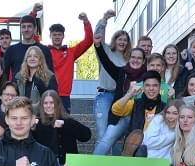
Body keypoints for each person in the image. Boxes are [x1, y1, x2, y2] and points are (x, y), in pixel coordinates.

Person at [92, 33, 146, 158]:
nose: (135, 60)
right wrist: (98, 46)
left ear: (143, 61)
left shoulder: (148, 76)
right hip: (121, 116)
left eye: (139, 58)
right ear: (129, 58)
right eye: (133, 57)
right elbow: (106, 62)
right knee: (106, 140)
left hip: (139, 119)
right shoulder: (121, 72)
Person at [93, 9, 131, 146]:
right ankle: (99, 164)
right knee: (103, 133)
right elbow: (98, 37)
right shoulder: (106, 51)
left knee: (116, 134)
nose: (122, 42)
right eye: (120, 39)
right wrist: (104, 19)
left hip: (122, 98)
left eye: (125, 40)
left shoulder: (129, 59)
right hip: (104, 95)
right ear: (114, 40)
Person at [47, 12, 93, 112]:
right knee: (47, 125)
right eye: (54, 34)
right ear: (50, 36)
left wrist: (86, 22)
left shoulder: (71, 52)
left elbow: (88, 41)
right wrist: (34, 13)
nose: (57, 37)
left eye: (59, 34)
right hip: (47, 95)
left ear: (63, 36)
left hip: (64, 96)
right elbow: (31, 39)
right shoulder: (45, 51)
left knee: (65, 125)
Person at [4, 15, 54, 80]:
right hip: (16, 89)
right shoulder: (11, 50)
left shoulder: (44, 50)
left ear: (35, 29)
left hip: (39, 89)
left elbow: (50, 75)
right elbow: (4, 75)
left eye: (29, 26)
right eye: (23, 27)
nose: (26, 30)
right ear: (20, 29)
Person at [15, 46, 58, 113]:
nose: (32, 58)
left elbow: (53, 99)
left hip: (41, 116)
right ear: (26, 59)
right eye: (29, 56)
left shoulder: (49, 76)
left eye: (35, 56)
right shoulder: (19, 77)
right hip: (21, 115)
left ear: (40, 59)